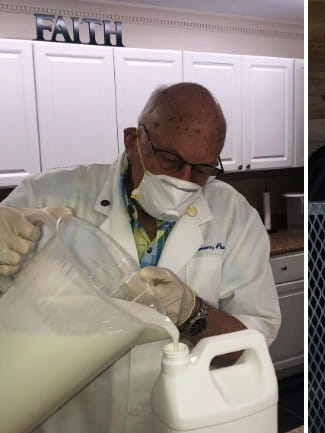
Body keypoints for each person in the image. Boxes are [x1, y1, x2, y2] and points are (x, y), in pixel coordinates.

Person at [0, 82, 281, 433]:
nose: (184, 180)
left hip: (180, 421)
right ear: (133, 141)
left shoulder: (235, 216)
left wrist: (192, 312)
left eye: (202, 171)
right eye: (171, 160)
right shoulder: (49, 193)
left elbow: (252, 344)